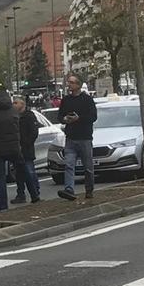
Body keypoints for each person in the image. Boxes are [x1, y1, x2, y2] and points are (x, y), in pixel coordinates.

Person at [58, 73, 98, 201]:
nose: (69, 84)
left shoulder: (87, 100)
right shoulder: (66, 100)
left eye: (71, 82)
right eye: (68, 82)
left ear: (78, 85)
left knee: (88, 167)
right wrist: (65, 119)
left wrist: (79, 118)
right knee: (69, 164)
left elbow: (93, 117)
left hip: (85, 137)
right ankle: (69, 189)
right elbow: (60, 116)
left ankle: (89, 190)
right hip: (70, 137)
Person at [11, 96, 42, 205]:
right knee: (18, 174)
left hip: (26, 150)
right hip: (16, 150)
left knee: (30, 171)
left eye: (15, 103)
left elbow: (33, 133)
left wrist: (25, 144)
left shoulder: (29, 116)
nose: (13, 104)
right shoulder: (13, 116)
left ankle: (36, 192)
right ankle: (20, 194)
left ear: (22, 104)